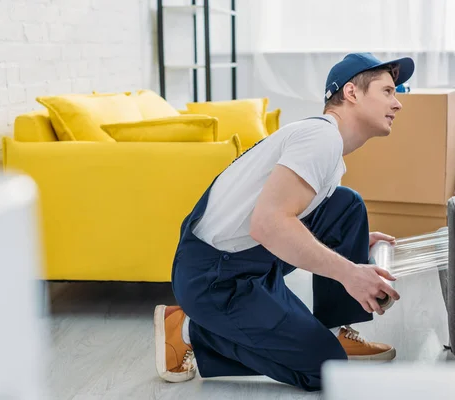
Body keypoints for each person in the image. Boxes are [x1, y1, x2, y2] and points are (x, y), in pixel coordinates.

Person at [153, 52, 415, 392]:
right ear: (351, 93)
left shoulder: (325, 148)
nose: (398, 104)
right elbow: (268, 225)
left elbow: (279, 220)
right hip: (215, 281)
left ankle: (334, 331)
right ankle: (189, 328)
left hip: (247, 261)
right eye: (388, 91)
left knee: (346, 206)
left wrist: (350, 242)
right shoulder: (320, 138)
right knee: (328, 371)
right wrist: (349, 271)